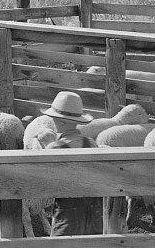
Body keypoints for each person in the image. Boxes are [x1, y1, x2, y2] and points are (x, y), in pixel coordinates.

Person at [42, 91, 103, 236]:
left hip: (67, 215)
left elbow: (46, 183)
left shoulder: (55, 148)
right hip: (94, 213)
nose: (52, 121)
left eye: (54, 118)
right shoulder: (91, 143)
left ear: (61, 121)